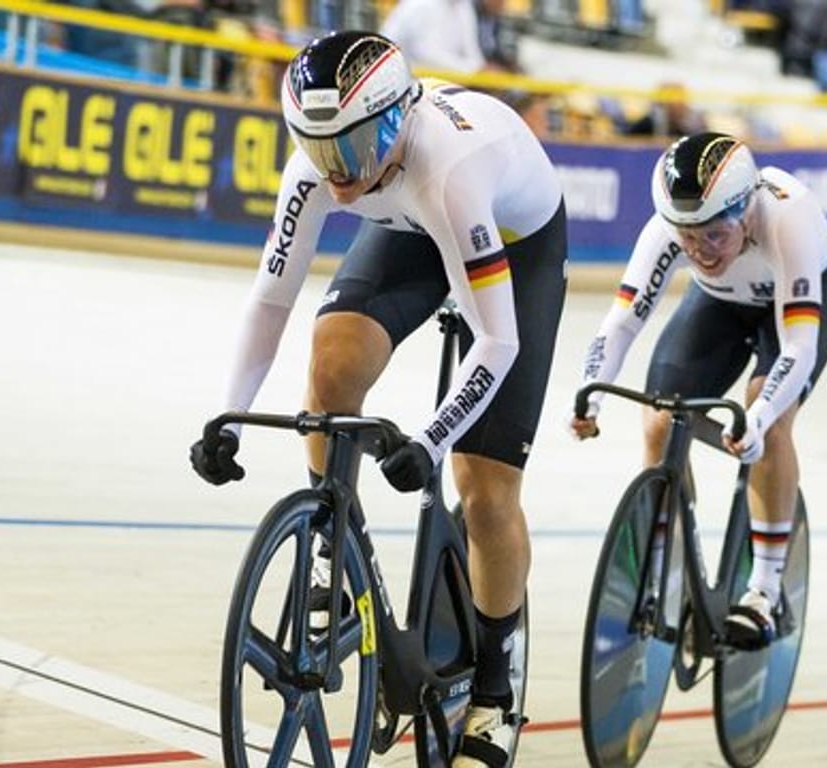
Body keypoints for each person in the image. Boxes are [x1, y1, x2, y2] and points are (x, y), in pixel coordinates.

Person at [190, 30, 567, 766]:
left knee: (482, 486)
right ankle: (337, 547)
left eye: (349, 149)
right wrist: (226, 411)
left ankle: (495, 691)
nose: (333, 172)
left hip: (511, 239)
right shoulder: (327, 165)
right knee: (331, 366)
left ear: (394, 121)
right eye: (316, 147)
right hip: (407, 222)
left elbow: (499, 343)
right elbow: (271, 301)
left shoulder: (447, 171)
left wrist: (429, 441)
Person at [570, 132, 827, 650]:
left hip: (793, 307)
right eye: (687, 238)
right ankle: (668, 564)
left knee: (770, 415)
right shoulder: (672, 229)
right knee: (659, 416)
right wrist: (590, 390)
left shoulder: (787, 222)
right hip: (719, 302)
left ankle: (763, 591)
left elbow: (799, 345)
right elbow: (622, 322)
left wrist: (761, 416)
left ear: (745, 213)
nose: (699, 249)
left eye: (715, 235)